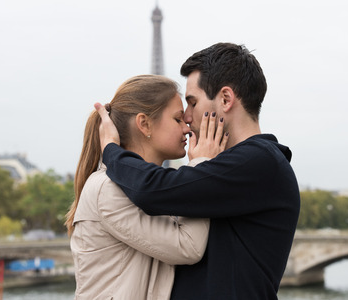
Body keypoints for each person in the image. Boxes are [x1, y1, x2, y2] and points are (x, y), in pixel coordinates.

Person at [95, 43, 300, 300]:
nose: (188, 116)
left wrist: (111, 150)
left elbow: (152, 190)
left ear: (226, 99)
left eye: (192, 103)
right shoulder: (243, 164)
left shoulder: (259, 162)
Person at [65, 74, 228, 300]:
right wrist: (202, 166)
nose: (187, 128)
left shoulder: (148, 186)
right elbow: (187, 247)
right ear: (144, 124)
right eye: (177, 119)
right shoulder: (108, 188)